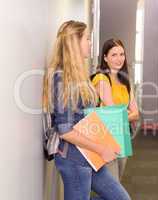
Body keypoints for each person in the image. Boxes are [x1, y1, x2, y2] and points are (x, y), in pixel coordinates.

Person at [42, 20, 131, 200]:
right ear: (75, 42)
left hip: (89, 155)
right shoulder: (62, 78)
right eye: (87, 39)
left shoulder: (78, 75)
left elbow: (84, 116)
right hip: (74, 159)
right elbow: (65, 130)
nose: (90, 43)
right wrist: (101, 148)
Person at [91, 38, 139, 181]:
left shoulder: (125, 81)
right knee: (114, 186)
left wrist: (123, 115)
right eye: (114, 55)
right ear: (105, 58)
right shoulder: (101, 79)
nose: (119, 59)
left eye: (122, 54)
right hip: (105, 137)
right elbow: (114, 114)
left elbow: (136, 114)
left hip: (123, 136)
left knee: (117, 182)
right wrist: (126, 114)